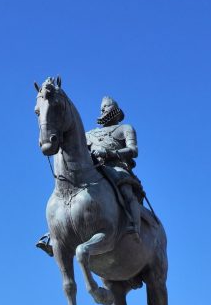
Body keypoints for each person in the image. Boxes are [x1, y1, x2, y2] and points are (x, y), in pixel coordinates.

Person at [36, 96, 145, 256]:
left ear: (114, 110)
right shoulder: (90, 133)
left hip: (116, 166)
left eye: (106, 107)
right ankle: (54, 235)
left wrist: (109, 153)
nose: (103, 110)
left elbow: (133, 150)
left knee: (126, 188)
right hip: (92, 167)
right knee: (66, 189)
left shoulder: (125, 129)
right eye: (101, 108)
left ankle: (132, 225)